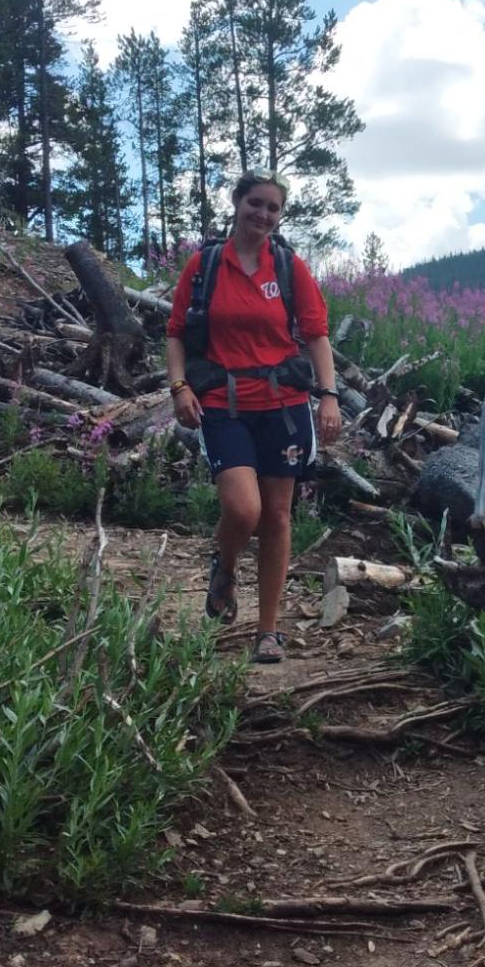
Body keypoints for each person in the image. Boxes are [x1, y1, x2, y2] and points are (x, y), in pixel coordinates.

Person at [166, 173, 343, 663]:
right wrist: (179, 387)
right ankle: (224, 567)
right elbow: (177, 332)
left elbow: (317, 334)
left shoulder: (287, 266)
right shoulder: (205, 265)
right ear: (236, 203)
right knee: (245, 510)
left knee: (279, 517)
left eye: (273, 208)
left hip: (284, 405)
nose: (263, 215)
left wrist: (328, 396)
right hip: (224, 403)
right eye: (255, 204)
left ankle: (268, 630)